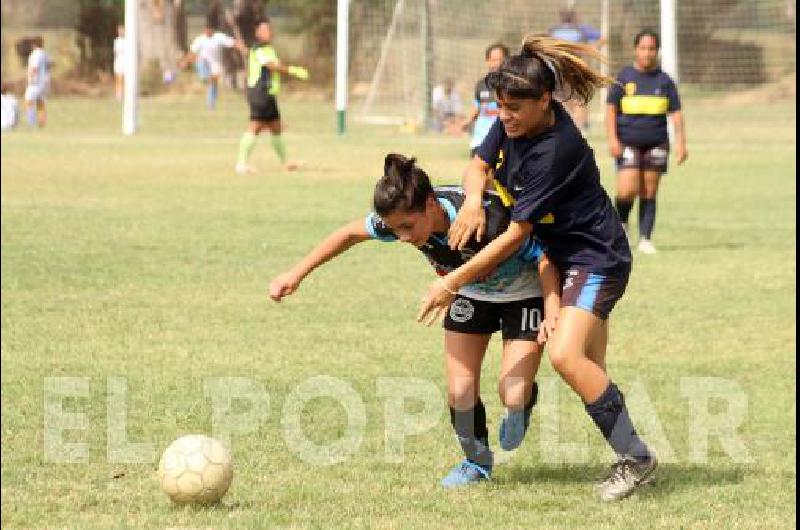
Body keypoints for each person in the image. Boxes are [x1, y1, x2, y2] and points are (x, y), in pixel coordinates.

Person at [417, 35, 657, 502]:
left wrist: (451, 280)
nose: (504, 116)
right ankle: (631, 450)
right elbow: (477, 165)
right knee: (591, 368)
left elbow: (515, 236)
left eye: (514, 108)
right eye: (499, 106)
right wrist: (470, 201)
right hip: (564, 260)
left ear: (545, 101)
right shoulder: (513, 124)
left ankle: (637, 458)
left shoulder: (555, 148)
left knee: (568, 358)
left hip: (594, 258)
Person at [269, 154, 561, 488]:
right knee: (460, 390)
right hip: (466, 293)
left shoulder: (486, 220)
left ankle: (522, 405)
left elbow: (543, 255)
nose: (402, 237)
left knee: (513, 392)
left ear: (432, 205)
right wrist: (296, 274)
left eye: (407, 227)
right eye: (395, 230)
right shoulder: (399, 219)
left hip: (521, 293)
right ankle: (476, 462)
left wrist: (552, 304)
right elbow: (349, 233)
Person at [606, 29, 687, 255]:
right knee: (626, 190)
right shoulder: (623, 78)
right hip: (627, 142)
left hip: (657, 142)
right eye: (643, 48)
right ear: (635, 49)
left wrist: (681, 143)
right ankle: (621, 226)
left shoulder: (665, 81)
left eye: (652, 49)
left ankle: (645, 238)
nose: (647, 53)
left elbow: (676, 112)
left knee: (649, 191)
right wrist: (612, 139)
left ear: (657, 51)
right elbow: (610, 110)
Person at [235, 18, 309, 174]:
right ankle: (241, 164)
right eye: (264, 30)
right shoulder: (259, 48)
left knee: (275, 127)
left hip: (268, 93)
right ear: (257, 33)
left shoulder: (268, 48)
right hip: (259, 92)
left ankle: (285, 162)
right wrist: (292, 70)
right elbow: (270, 65)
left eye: (269, 29)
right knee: (255, 126)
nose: (268, 33)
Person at [548, 9, 604, 132]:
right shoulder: (575, 29)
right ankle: (579, 126)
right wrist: (589, 49)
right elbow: (602, 38)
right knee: (575, 98)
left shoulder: (556, 30)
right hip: (565, 69)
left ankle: (578, 126)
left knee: (573, 98)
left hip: (567, 69)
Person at [179, 21, 238, 110]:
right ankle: (204, 77)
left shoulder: (219, 37)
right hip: (203, 61)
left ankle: (211, 104)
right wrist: (185, 62)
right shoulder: (200, 39)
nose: (207, 31)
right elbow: (192, 53)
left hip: (215, 63)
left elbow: (233, 43)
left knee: (213, 84)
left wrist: (243, 48)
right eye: (206, 30)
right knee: (205, 74)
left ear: (213, 30)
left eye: (209, 30)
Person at [463, 43, 509, 155]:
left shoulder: (510, 85)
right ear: (487, 61)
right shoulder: (481, 85)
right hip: (480, 141)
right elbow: (477, 108)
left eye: (500, 60)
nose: (496, 64)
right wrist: (466, 122)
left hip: (502, 141)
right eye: (493, 60)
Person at [24, 36, 50, 128]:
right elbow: (49, 66)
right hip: (44, 83)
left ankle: (31, 123)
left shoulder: (35, 54)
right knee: (41, 103)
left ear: (33, 44)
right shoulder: (45, 54)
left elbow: (34, 67)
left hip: (35, 83)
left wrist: (30, 78)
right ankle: (42, 123)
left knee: (28, 102)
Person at [113, 24, 127, 101]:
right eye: (119, 30)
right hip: (119, 61)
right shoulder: (117, 41)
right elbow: (116, 52)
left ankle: (125, 94)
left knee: (125, 78)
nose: (121, 32)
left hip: (126, 62)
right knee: (119, 78)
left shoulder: (128, 41)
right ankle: (119, 94)